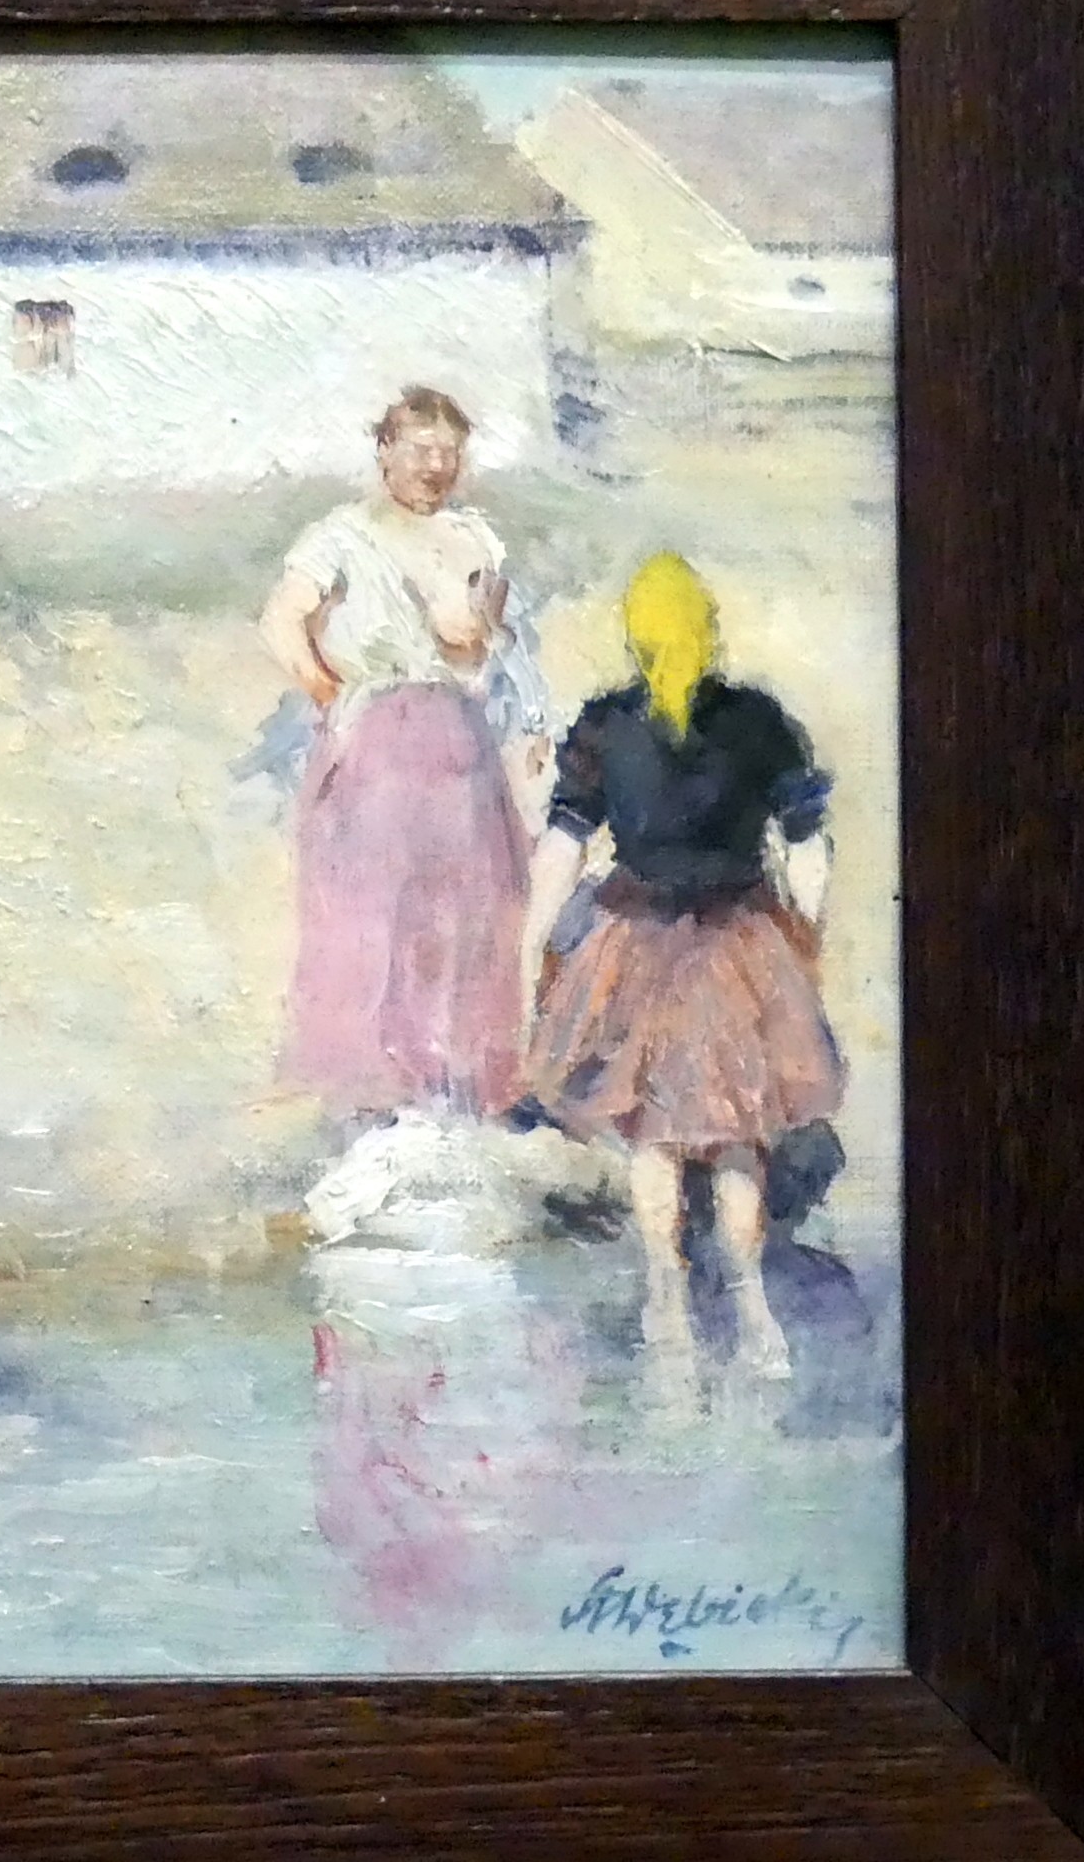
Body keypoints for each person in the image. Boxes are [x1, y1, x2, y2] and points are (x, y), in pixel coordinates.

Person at [519, 553, 846, 1386]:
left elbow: (564, 841)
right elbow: (805, 841)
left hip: (635, 945)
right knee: (737, 1136)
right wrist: (806, 930)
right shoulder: (759, 720)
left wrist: (535, 940)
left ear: (636, 636)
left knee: (654, 1137)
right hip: (739, 942)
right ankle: (751, 1305)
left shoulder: (605, 724)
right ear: (708, 628)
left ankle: (666, 1302)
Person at [262, 386, 541, 1117]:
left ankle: (459, 1082)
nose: (436, 467)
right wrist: (331, 697)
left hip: (461, 740)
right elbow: (282, 622)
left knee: (473, 906)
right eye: (421, 450)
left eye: (449, 453)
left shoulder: (476, 538)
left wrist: (478, 639)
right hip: (377, 740)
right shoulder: (341, 535)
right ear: (385, 450)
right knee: (374, 909)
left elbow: (481, 646)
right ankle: (373, 1089)